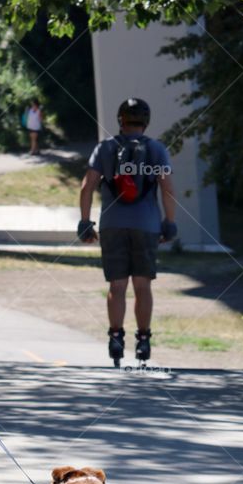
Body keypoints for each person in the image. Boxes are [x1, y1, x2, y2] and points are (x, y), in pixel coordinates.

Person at [77, 97, 177, 366]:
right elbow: (167, 188)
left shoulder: (105, 148)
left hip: (112, 225)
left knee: (117, 286)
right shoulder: (156, 150)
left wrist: (85, 221)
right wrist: (169, 221)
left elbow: (87, 187)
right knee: (142, 286)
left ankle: (116, 338)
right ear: (146, 121)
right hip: (146, 225)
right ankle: (143, 341)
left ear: (120, 120)